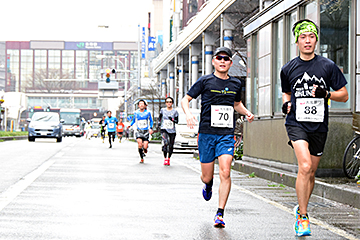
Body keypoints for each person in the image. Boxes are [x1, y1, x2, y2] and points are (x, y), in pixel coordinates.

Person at [281, 19, 349, 237]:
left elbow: (344, 95)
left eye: (311, 37)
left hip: (319, 125)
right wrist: (286, 104)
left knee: (311, 172)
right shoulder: (288, 69)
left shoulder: (328, 66)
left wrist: (326, 94)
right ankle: (303, 216)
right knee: (305, 165)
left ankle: (302, 207)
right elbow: (287, 93)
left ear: (316, 40)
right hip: (296, 123)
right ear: (297, 41)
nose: (308, 41)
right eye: (303, 37)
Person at [181, 46, 254, 228]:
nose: (222, 61)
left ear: (230, 62)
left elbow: (236, 104)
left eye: (226, 59)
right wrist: (189, 114)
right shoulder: (205, 81)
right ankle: (208, 184)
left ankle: (220, 213)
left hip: (226, 135)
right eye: (219, 58)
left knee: (226, 171)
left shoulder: (236, 84)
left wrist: (247, 113)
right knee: (206, 176)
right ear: (213, 61)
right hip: (206, 134)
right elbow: (185, 99)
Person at [158, 97, 179, 166]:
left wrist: (172, 120)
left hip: (172, 130)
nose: (168, 103)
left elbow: (177, 121)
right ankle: (165, 158)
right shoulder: (163, 110)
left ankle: (169, 158)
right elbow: (160, 117)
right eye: (167, 102)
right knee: (165, 143)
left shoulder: (175, 111)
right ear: (165, 103)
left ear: (172, 103)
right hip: (164, 128)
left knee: (171, 145)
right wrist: (159, 123)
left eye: (170, 102)